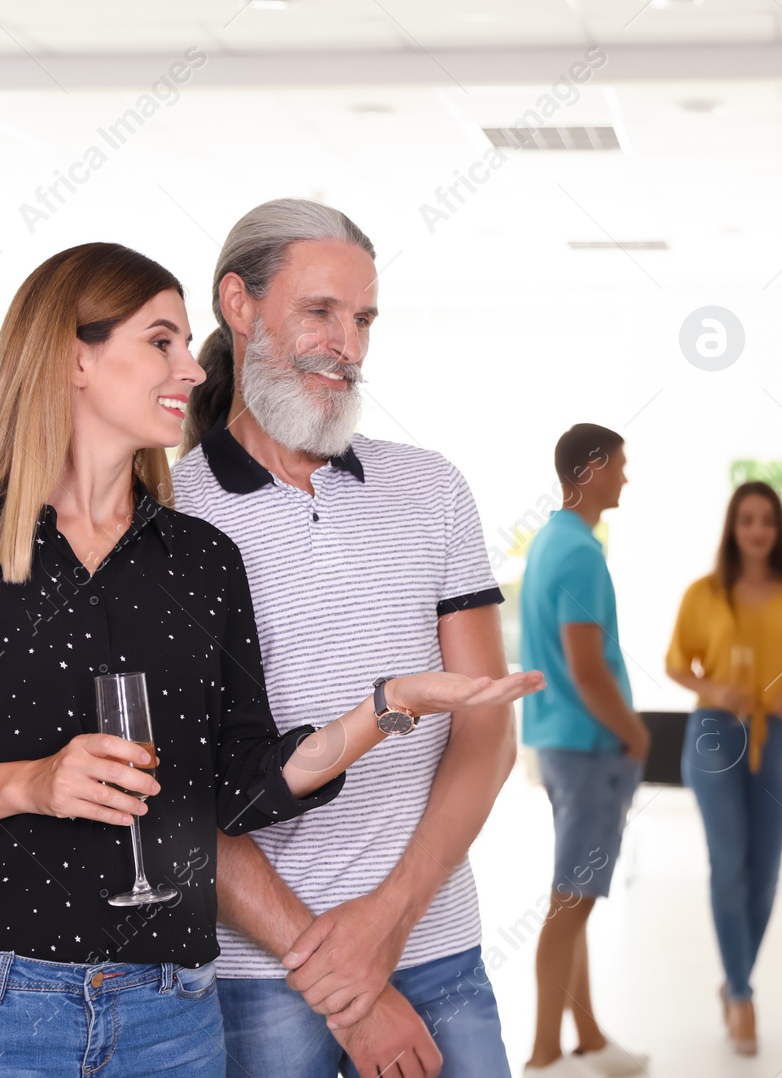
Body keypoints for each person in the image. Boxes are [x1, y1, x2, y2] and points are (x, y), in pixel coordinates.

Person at [0, 242, 542, 1078]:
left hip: (171, 1015)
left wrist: (383, 709)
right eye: (159, 341)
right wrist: (28, 784)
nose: (192, 371)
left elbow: (233, 785)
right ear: (74, 358)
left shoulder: (201, 560)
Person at [173, 199, 521, 1078]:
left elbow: (486, 733)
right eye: (320, 312)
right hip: (256, 975)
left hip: (435, 948)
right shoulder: (168, 516)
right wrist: (338, 973)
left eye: (362, 318)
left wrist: (389, 921)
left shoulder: (432, 491)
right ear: (239, 307)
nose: (350, 346)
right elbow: (173, 792)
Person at [665, 480, 782, 1056]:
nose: (758, 530)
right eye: (747, 519)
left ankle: (734, 982)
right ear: (733, 527)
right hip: (713, 732)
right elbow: (678, 664)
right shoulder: (704, 593)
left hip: (776, 734)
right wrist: (715, 688)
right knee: (729, 865)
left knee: (768, 869)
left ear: (779, 530)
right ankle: (742, 990)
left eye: (767, 521)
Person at [516, 423, 648, 1078]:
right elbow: (587, 666)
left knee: (577, 896)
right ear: (591, 469)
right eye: (620, 465)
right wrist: (635, 731)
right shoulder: (580, 555)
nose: (626, 476)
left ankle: (589, 1037)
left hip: (560, 743)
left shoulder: (550, 541)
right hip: (591, 748)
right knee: (570, 906)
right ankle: (543, 1056)